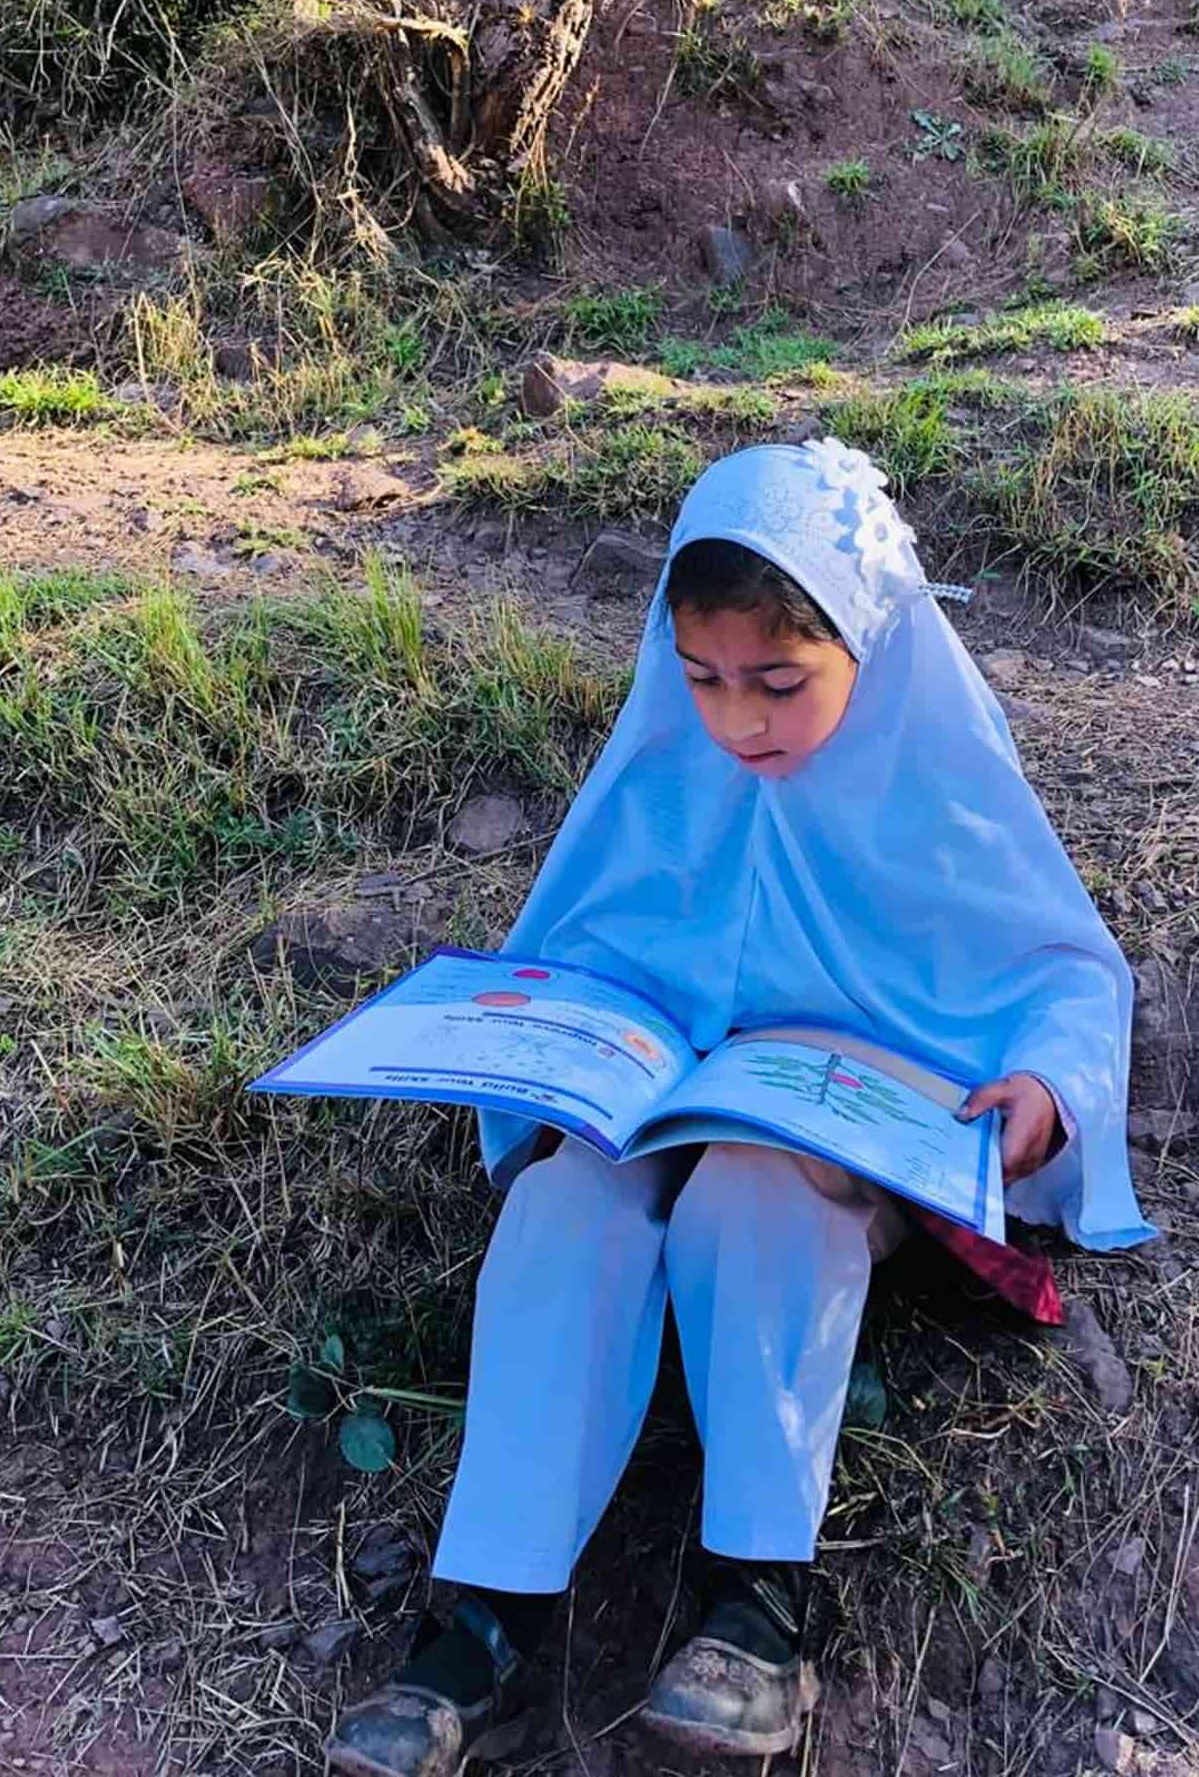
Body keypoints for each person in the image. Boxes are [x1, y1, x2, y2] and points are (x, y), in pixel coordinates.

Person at [324, 439, 1152, 1777]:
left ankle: (759, 1607)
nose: (734, 720)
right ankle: (483, 1626)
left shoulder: (933, 766)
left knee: (751, 1192)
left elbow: (1063, 968)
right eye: (700, 677)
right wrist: (558, 1050)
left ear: (865, 647)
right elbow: (585, 930)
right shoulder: (669, 754)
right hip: (662, 1105)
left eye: (777, 682)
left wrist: (1048, 1088)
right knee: (568, 1201)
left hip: (836, 1142)